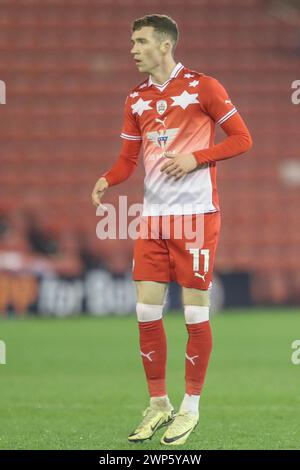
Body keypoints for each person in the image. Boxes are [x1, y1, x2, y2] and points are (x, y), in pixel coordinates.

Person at [91, 14, 252, 446]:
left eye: (140, 41)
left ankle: (190, 408)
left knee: (195, 313)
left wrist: (196, 157)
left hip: (197, 216)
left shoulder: (204, 87)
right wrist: (109, 178)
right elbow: (128, 160)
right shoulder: (136, 99)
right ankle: (158, 402)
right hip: (154, 219)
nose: (132, 49)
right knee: (146, 311)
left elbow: (241, 138)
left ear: (165, 46)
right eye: (131, 41)